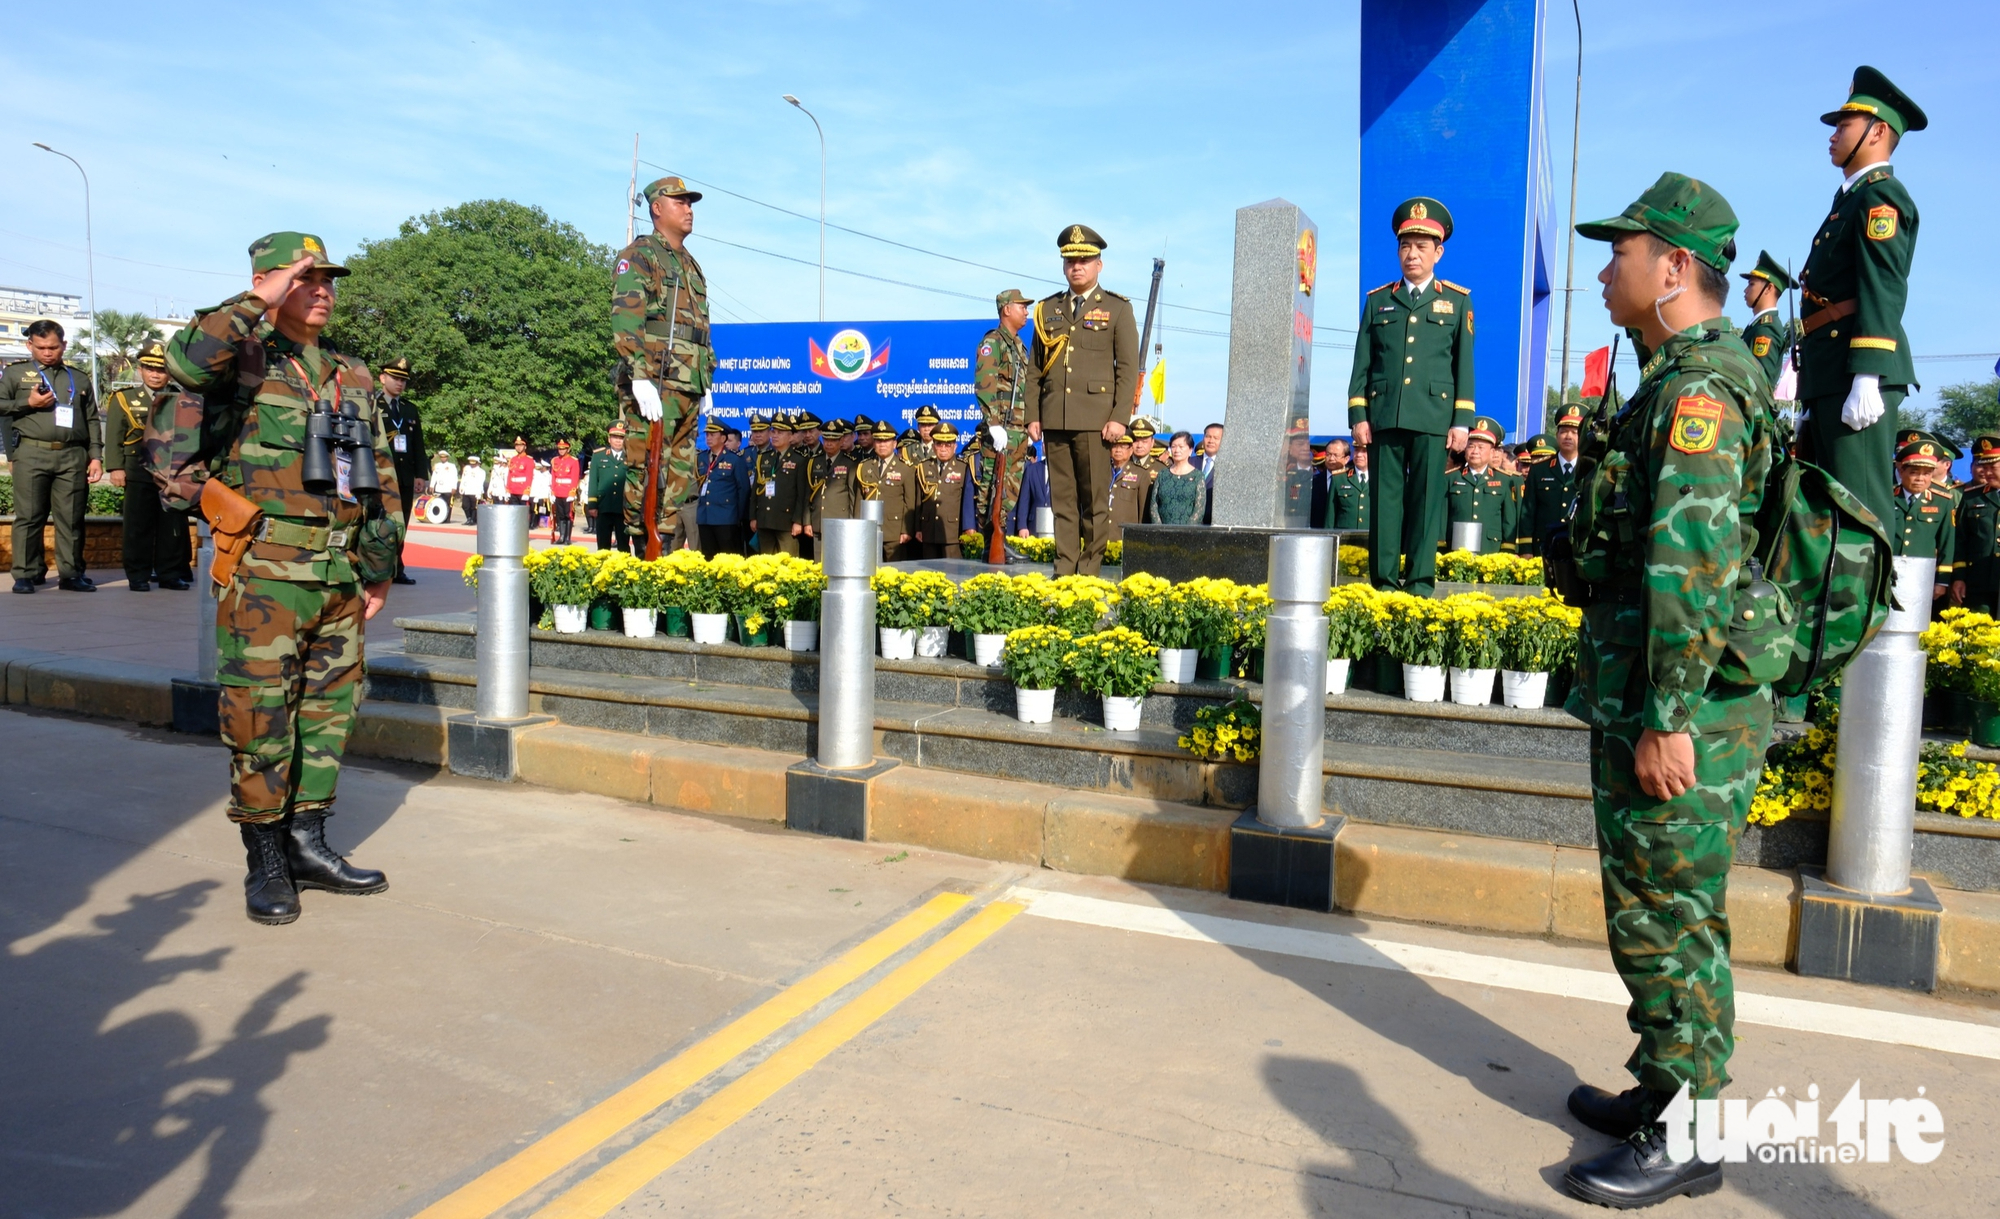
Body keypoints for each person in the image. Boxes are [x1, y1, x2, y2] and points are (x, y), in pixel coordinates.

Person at [1560, 175, 1775, 1207]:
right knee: (1647, 907)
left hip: (1684, 706)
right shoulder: (1670, 376)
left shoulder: (1697, 392)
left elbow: (1690, 569)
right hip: (1655, 694)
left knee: (1672, 912)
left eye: (1622, 252)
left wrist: (1667, 718)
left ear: (1674, 268)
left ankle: (1687, 1130)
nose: (1607, 269)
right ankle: (1661, 1085)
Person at [162, 231, 400, 925]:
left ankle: (308, 843)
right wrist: (258, 301)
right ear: (269, 281)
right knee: (260, 718)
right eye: (306, 277)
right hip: (266, 569)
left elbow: (380, 477)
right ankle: (264, 859)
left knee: (329, 715)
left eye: (329, 279)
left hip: (337, 571)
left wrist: (379, 565)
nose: (323, 289)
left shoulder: (351, 373)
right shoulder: (240, 357)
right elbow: (185, 361)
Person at [1795, 66, 1924, 530]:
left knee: (1860, 509)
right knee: (1830, 512)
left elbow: (1884, 284)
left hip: (1856, 369)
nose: (1832, 135)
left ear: (1878, 131)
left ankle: (1870, 607)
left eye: (1844, 125)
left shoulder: (1880, 197)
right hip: (1831, 369)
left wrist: (1866, 374)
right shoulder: (1848, 199)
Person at [1347, 197, 1476, 597]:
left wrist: (1462, 422)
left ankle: (1420, 583)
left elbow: (1464, 366)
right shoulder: (1378, 300)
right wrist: (1358, 414)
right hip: (1385, 416)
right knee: (1385, 505)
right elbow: (1362, 365)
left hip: (1434, 417)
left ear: (1438, 252)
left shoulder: (1457, 301)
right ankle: (1383, 583)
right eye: (1405, 246)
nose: (1412, 254)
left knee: (1425, 503)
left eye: (1421, 247)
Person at [1024, 224, 1139, 575]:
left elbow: (1128, 368)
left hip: (1096, 422)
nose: (1077, 266)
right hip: (1055, 418)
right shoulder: (1048, 309)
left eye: (1085, 260)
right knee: (1063, 503)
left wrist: (1120, 417)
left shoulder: (1117, 308)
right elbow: (1035, 368)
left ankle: (1087, 573)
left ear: (1099, 265)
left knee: (1093, 503)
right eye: (1071, 260)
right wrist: (1033, 414)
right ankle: (1064, 570)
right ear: (1063, 266)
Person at [612, 176, 713, 555]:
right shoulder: (640, 255)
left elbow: (699, 326)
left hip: (688, 381)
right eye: (680, 202)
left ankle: (667, 543)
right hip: (657, 379)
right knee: (648, 464)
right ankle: (642, 545)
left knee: (680, 473)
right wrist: (638, 376)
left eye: (690, 203)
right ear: (657, 208)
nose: (689, 210)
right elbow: (626, 320)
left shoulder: (690, 264)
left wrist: (708, 380)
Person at [1, 319, 102, 593]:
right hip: (32, 452)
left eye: (54, 347)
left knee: (70, 518)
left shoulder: (78, 377)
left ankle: (71, 573)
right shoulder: (15, 374)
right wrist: (27, 403)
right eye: (42, 347)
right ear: (30, 345)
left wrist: (95, 457)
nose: (48, 353)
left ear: (64, 345)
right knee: (29, 516)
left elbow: (92, 419)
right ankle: (27, 573)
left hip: (72, 455)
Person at [106, 340, 193, 591]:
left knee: (172, 526)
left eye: (161, 369)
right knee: (138, 525)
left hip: (171, 472)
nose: (155, 374)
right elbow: (114, 435)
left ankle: (169, 573)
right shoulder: (124, 398)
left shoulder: (180, 397)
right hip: (138, 468)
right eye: (149, 368)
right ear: (140, 369)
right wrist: (115, 468)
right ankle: (138, 575)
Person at [373, 356, 426, 583]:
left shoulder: (409, 410)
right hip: (379, 475)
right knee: (378, 521)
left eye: (403, 380)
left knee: (401, 522)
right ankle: (376, 568)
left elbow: (418, 445)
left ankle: (397, 568)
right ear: (382, 378)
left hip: (404, 476)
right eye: (395, 378)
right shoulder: (372, 405)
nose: (400, 384)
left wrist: (421, 474)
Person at [1889, 438, 1956, 607]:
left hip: (1922, 576)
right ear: (1901, 471)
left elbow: (1947, 543)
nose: (1920, 478)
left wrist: (1942, 581)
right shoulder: (1887, 498)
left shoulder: (1942, 502)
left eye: (1926, 473)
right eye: (1914, 472)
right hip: (1888, 573)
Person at [1443, 416, 1515, 554]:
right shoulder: (1451, 478)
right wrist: (1440, 546)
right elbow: (1442, 516)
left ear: (1492, 452)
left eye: (1481, 447)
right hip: (1455, 551)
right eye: (1471, 446)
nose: (1475, 451)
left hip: (1491, 551)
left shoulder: (1505, 481)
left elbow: (1509, 520)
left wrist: (1508, 551)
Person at [1522, 404, 1583, 555]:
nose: (1568, 436)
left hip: (1578, 547)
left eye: (1574, 432)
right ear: (1556, 436)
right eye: (1563, 432)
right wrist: (1525, 549)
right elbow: (1527, 512)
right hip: (1544, 546)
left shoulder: (1590, 469)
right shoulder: (1539, 469)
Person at [1953, 434, 2000, 614]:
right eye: (1983, 467)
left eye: (1992, 467)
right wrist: (1959, 577)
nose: (1986, 473)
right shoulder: (1972, 496)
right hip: (1979, 583)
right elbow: (1960, 541)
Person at [910, 422, 969, 558]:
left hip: (952, 534)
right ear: (934, 446)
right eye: (939, 444)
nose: (943, 448)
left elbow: (966, 503)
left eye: (948, 444)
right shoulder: (923, 467)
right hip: (928, 530)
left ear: (955, 447)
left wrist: (965, 529)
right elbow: (919, 501)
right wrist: (918, 528)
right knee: (929, 574)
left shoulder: (963, 468)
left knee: (953, 573)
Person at [1737, 252, 1795, 389]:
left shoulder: (1766, 329)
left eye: (1751, 284)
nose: (1745, 290)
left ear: (1769, 288)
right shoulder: (1757, 326)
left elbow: (1761, 382)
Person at [856, 419, 911, 560]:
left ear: (894, 443)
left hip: (894, 531)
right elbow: (859, 500)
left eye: (886, 441)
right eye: (879, 441)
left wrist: (906, 530)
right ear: (874, 443)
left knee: (895, 572)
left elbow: (909, 503)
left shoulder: (905, 468)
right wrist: (859, 527)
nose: (882, 445)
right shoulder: (865, 467)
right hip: (869, 530)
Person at [751, 417, 806, 556]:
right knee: (766, 564)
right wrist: (753, 516)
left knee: (788, 563)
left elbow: (802, 495)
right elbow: (755, 491)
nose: (775, 436)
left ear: (790, 436)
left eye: (780, 432)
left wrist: (798, 521)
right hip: (764, 519)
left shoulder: (799, 459)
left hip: (786, 522)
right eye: (773, 431)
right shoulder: (764, 458)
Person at [696, 419, 751, 557]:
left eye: (712, 434)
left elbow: (743, 490)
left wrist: (736, 515)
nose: (708, 438)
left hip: (726, 517)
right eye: (707, 435)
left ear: (723, 438)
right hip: (705, 516)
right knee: (708, 557)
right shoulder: (702, 457)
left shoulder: (734, 460)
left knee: (728, 557)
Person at [808, 418, 856, 547]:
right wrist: (807, 521)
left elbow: (852, 497)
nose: (829, 443)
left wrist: (853, 523)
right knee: (818, 563)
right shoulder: (814, 462)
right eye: (826, 439)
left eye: (833, 440)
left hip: (840, 522)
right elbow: (807, 494)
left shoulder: (850, 463)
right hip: (818, 521)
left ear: (841, 441)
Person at [589, 423, 635, 554]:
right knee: (603, 546)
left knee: (624, 546)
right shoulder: (599, 456)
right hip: (604, 505)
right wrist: (592, 504)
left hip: (623, 507)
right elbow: (593, 481)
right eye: (615, 437)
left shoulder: (630, 456)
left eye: (621, 438)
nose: (618, 440)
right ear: (609, 439)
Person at [1146, 431, 1207, 526]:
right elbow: (1154, 504)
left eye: (1181, 447)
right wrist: (1159, 527)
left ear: (1190, 450)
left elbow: (1199, 509)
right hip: (1162, 531)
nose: (1177, 450)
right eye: (1173, 446)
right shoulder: (1162, 474)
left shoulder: (1198, 476)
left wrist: (1185, 531)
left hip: (1188, 533)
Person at [1105, 433, 1147, 543]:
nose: (1118, 450)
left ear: (1131, 450)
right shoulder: (1102, 471)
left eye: (1123, 446)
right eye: (1115, 446)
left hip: (1125, 536)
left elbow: (1143, 511)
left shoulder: (1141, 474)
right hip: (1102, 535)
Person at [1327, 442, 1370, 533]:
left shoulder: (1380, 479)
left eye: (1364, 451)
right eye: (1356, 450)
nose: (1358, 455)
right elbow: (1330, 515)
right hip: (1345, 538)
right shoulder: (1339, 478)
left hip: (1371, 536)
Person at [1011, 443, 1051, 538]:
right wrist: (1022, 526)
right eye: (1046, 444)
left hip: (1057, 528)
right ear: (1043, 446)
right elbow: (1024, 500)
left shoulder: (1064, 473)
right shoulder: (1031, 469)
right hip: (1033, 528)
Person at [550, 439, 581, 544]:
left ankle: (567, 538)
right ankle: (561, 537)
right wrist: (552, 492)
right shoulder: (555, 460)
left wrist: (572, 492)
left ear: (568, 449)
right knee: (560, 515)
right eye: (559, 449)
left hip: (568, 492)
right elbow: (553, 477)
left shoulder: (573, 461)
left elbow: (574, 477)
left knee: (568, 515)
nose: (561, 451)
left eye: (563, 449)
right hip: (558, 491)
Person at [428, 450, 459, 523]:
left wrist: (454, 487)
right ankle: (440, 517)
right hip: (439, 488)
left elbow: (455, 477)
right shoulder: (437, 465)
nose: (443, 458)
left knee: (447, 504)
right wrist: (432, 485)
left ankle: (447, 518)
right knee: (438, 503)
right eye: (441, 457)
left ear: (447, 457)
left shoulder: (451, 466)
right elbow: (434, 476)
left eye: (444, 457)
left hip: (448, 488)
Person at [504, 437, 534, 506]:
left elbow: (529, 477)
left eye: (521, 445)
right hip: (513, 490)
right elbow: (510, 475)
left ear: (525, 447)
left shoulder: (528, 460)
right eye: (517, 445)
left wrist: (527, 491)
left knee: (522, 513)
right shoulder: (513, 459)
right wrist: (508, 490)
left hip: (522, 490)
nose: (518, 447)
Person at [457, 455, 481, 525]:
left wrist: (479, 492)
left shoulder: (480, 471)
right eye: (471, 463)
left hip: (474, 491)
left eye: (474, 463)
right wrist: (461, 487)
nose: (472, 465)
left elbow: (480, 482)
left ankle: (472, 520)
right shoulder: (467, 468)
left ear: (477, 463)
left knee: (473, 507)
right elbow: (464, 478)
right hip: (466, 490)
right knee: (465, 505)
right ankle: (468, 518)